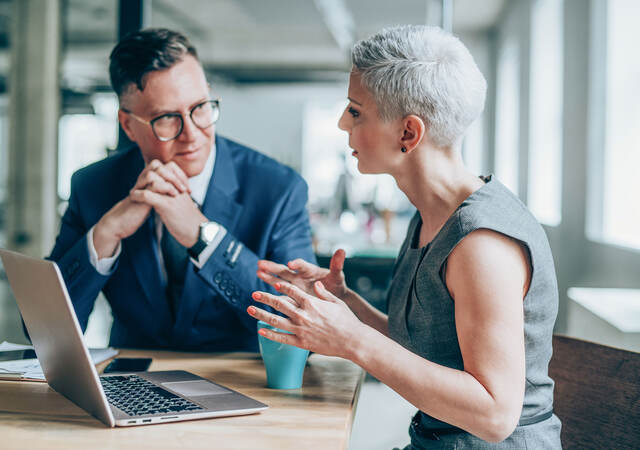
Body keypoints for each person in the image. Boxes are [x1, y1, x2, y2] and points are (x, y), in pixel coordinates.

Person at [248, 25, 562, 448]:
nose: (343, 123)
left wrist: (352, 339)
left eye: (355, 111)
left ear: (408, 134)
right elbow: (426, 348)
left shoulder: (482, 244)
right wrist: (345, 306)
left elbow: (494, 414)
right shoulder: (432, 215)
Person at [47, 28, 314, 352]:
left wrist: (204, 240)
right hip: (131, 386)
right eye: (167, 118)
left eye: (200, 107)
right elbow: (46, 335)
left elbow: (304, 327)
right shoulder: (94, 187)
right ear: (128, 125)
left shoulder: (278, 189)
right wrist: (105, 233)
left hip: (243, 386)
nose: (192, 134)